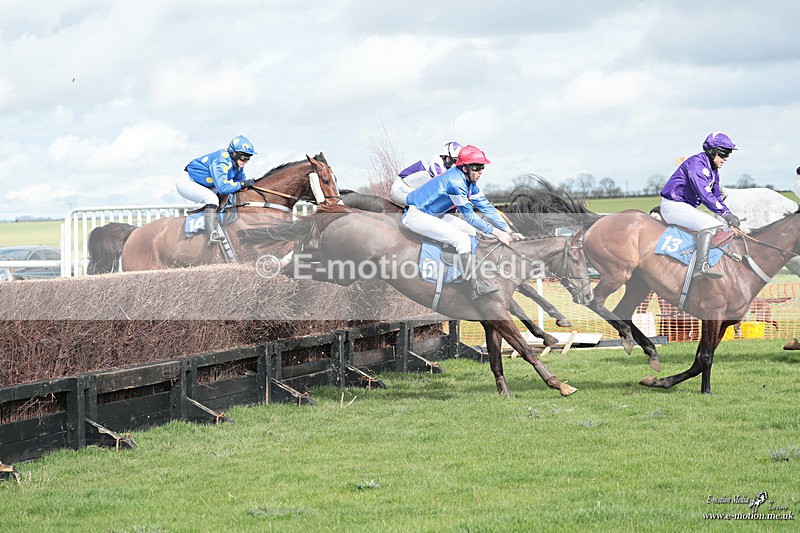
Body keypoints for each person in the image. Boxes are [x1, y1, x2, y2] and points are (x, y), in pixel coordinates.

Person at [403, 144, 523, 299]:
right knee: (462, 240)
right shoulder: (455, 182)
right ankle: (473, 286)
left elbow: (487, 208)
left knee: (473, 232)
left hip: (434, 215)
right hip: (417, 216)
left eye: (482, 168)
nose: (480, 172)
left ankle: (472, 270)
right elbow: (470, 217)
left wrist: (508, 231)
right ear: (464, 168)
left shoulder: (469, 182)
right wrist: (498, 233)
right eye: (476, 168)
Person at [659, 132, 741, 279]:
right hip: (673, 206)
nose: (726, 158)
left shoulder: (713, 170)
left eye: (728, 154)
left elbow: (716, 196)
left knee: (718, 225)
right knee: (710, 224)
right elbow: (706, 196)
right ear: (712, 151)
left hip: (683, 207)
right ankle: (700, 267)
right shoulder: (697, 165)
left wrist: (729, 215)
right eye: (724, 154)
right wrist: (727, 215)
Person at [177, 135, 257, 244]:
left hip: (206, 184)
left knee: (231, 194)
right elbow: (224, 188)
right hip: (188, 183)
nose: (246, 161)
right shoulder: (221, 161)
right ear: (233, 153)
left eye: (248, 157)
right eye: (244, 157)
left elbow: (240, 183)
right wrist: (242, 184)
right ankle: (212, 234)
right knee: (212, 199)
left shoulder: (237, 164)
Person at [389, 141, 463, 206]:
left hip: (412, 189)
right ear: (448, 159)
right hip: (400, 188)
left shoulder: (447, 167)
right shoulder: (438, 164)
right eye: (456, 162)